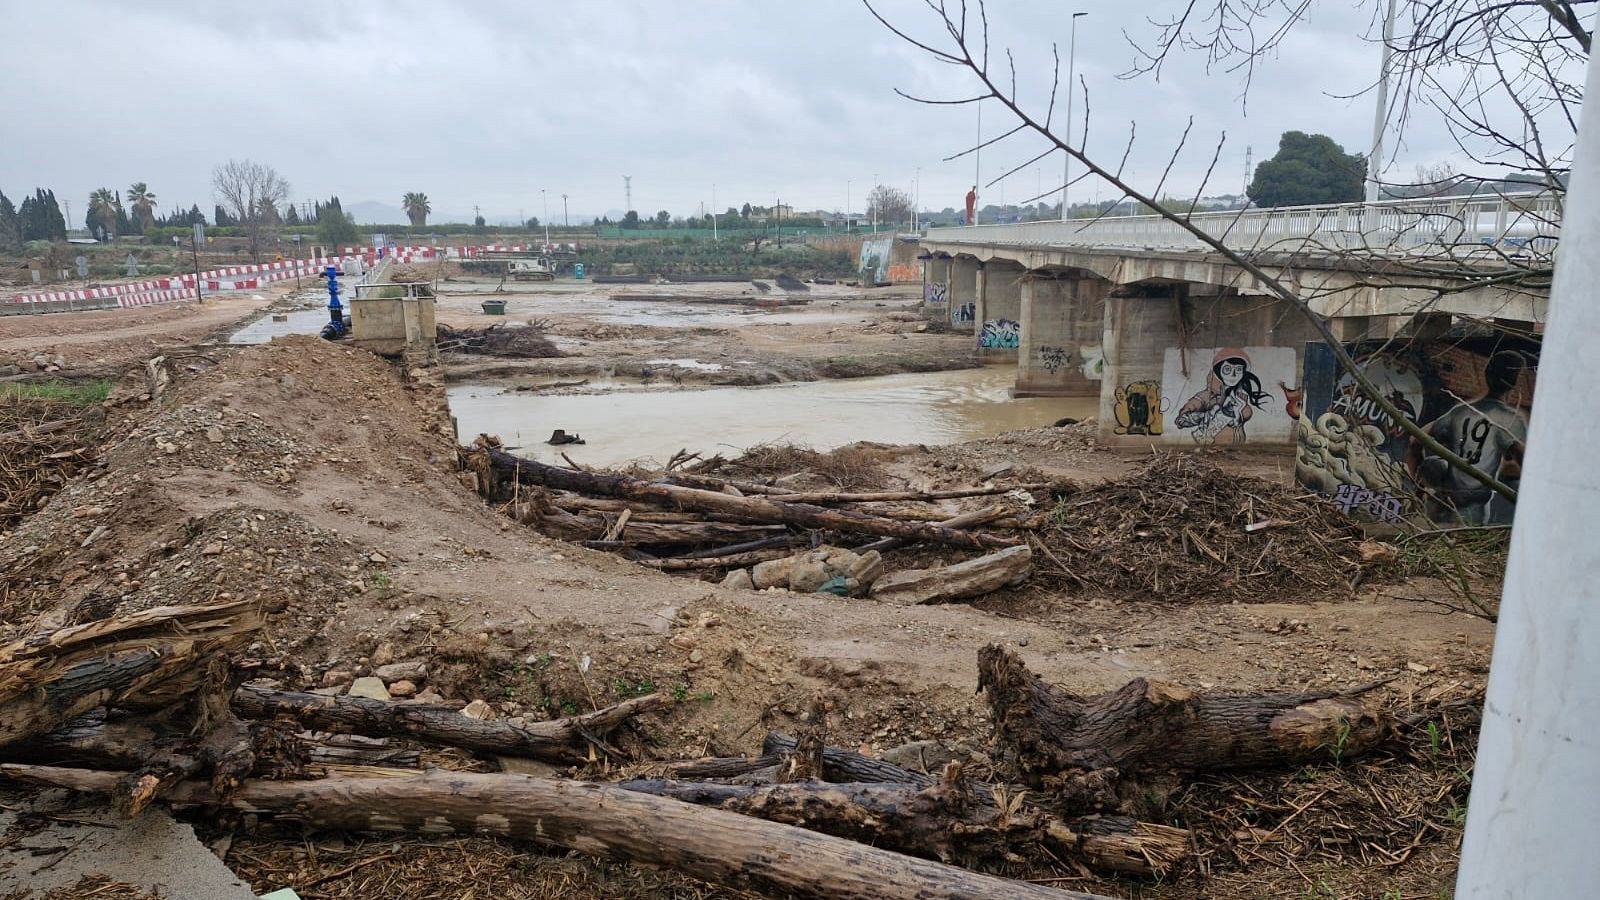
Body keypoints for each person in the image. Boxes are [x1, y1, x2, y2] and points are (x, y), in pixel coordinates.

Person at [1406, 350, 1529, 524]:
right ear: (1514, 382)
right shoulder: (1511, 420)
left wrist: (1418, 491)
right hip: (1472, 510)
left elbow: (1414, 442)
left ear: (1487, 374)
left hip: (1441, 503)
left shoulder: (1459, 412)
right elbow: (1526, 464)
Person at [1174, 348, 1273, 444]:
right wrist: (1189, 412)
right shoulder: (1209, 395)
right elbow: (1194, 404)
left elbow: (1247, 413)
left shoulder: (1239, 396)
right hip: (1212, 446)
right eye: (1227, 369)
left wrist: (1239, 409)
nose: (1233, 375)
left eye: (1238, 369)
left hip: (1236, 450)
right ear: (1218, 371)